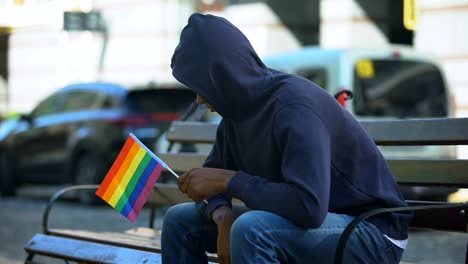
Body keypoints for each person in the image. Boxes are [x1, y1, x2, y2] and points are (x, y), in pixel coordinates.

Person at [161, 13, 412, 264]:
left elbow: (309, 207)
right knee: (179, 221)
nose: (200, 100)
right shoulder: (234, 114)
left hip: (372, 231)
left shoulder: (294, 106)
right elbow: (213, 181)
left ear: (224, 75)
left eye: (203, 87)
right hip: (312, 226)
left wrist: (231, 181)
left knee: (251, 230)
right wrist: (222, 214)